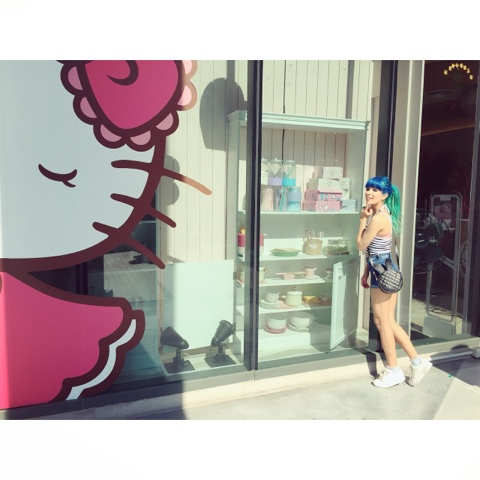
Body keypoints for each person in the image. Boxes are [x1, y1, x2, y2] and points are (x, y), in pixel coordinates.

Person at [356, 176, 432, 388]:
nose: (369, 192)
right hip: (386, 270)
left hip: (382, 273)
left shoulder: (377, 218)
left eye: (375, 190)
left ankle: (393, 370)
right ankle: (417, 362)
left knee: (382, 323)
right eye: (368, 188)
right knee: (388, 321)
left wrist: (362, 219)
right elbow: (378, 249)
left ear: (385, 194)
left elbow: (361, 245)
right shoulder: (382, 213)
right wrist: (366, 271)